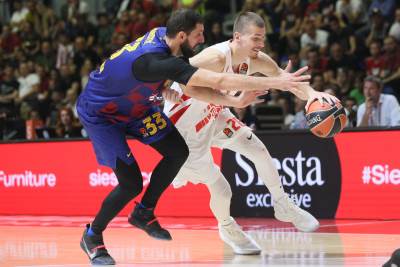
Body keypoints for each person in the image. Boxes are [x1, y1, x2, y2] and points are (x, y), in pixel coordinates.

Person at [77, 9, 311, 265]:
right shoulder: (165, 62)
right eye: (198, 35)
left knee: (177, 151)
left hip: (136, 108)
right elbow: (217, 78)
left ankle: (144, 212)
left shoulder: (160, 38)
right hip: (104, 115)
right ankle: (92, 236)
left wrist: (163, 87)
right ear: (181, 35)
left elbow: (143, 73)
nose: (202, 40)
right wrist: (278, 84)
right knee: (131, 184)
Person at [163, 12, 338, 255]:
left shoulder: (255, 60)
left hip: (212, 116)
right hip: (182, 133)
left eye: (263, 38)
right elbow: (177, 74)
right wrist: (164, 89)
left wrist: (313, 96)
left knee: (257, 148)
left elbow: (285, 79)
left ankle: (282, 204)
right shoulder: (215, 57)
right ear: (238, 37)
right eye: (256, 38)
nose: (261, 44)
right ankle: (227, 226)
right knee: (223, 189)